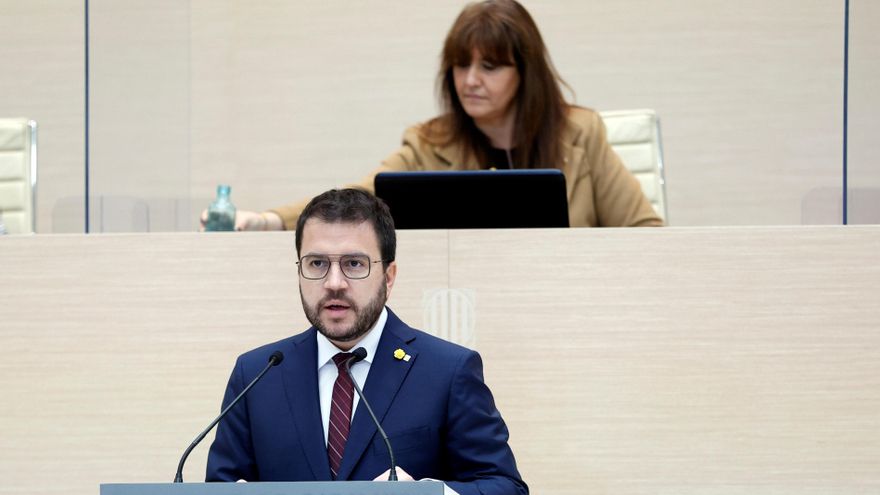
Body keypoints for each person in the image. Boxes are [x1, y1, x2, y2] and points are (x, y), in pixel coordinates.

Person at [202, 0, 662, 231]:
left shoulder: (582, 134)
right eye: (462, 65)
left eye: (490, 66)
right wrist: (270, 220)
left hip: (569, 307)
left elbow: (646, 233)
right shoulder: (428, 143)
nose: (471, 80)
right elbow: (355, 200)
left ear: (526, 73)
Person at [205, 188, 528, 495]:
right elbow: (220, 485)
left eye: (354, 264)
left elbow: (505, 486)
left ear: (389, 277)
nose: (334, 283)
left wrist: (430, 493)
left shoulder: (447, 371)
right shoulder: (258, 374)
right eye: (317, 264)